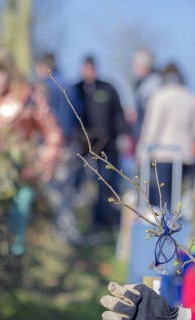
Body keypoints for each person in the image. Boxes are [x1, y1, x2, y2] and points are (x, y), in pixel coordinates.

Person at [0, 47, 63, 255]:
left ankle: (15, 258)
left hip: (22, 171)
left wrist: (43, 163)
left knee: (19, 211)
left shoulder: (28, 97)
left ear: (9, 73)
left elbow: (53, 132)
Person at [135, 62, 195, 209]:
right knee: (177, 197)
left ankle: (164, 229)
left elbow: (151, 129)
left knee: (162, 199)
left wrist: (141, 152)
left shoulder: (159, 97)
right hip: (184, 155)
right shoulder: (191, 98)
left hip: (162, 154)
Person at [74, 55, 128, 231]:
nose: (89, 72)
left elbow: (119, 114)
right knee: (83, 186)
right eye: (86, 68)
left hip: (108, 147)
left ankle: (105, 220)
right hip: (83, 148)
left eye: (92, 68)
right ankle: (84, 221)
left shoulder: (108, 88)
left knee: (106, 183)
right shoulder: (75, 90)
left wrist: (122, 136)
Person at [35, 52, 82, 245]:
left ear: (44, 67)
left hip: (51, 146)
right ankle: (66, 232)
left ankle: (55, 235)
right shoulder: (69, 86)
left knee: (51, 190)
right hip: (69, 144)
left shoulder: (46, 88)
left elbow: (42, 119)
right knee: (65, 191)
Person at [130, 48, 162, 141]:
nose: (134, 69)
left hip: (150, 137)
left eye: (137, 66)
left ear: (146, 67)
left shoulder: (154, 85)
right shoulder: (142, 84)